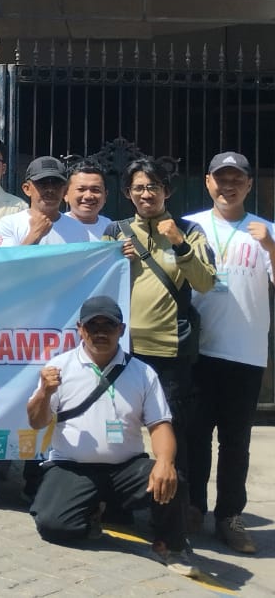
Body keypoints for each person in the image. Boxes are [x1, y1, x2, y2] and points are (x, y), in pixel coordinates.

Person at [28, 296, 200, 579]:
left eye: (108, 325)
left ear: (121, 329)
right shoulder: (59, 368)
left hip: (126, 467)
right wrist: (44, 393)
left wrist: (165, 461)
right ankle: (93, 512)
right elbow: (36, 422)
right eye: (93, 325)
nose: (100, 332)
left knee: (174, 479)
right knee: (53, 526)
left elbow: (160, 425)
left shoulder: (143, 373)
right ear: (79, 329)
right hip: (73, 466)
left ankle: (171, 545)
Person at [102, 158, 215, 509]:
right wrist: (116, 259)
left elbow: (205, 282)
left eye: (153, 186)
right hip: (124, 350)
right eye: (138, 187)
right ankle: (120, 506)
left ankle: (176, 511)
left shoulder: (190, 231)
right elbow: (99, 283)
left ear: (167, 191)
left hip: (170, 352)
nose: (146, 193)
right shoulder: (115, 231)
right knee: (118, 429)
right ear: (127, 193)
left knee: (173, 432)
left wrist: (179, 245)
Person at [183, 151, 273, 554]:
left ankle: (229, 517)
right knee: (195, 436)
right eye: (221, 178)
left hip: (245, 352)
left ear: (249, 185)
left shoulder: (267, 229)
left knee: (236, 441)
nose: (228, 185)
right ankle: (192, 509)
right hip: (198, 351)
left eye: (237, 178)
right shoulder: (190, 226)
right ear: (208, 182)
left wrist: (270, 246)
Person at [0, 157, 92, 246]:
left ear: (65, 191)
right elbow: (7, 264)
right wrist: (34, 235)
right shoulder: (9, 224)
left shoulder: (77, 228)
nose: (50, 189)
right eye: (43, 184)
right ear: (27, 189)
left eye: (56, 184)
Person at [64, 161, 111, 240]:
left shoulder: (112, 229)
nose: (88, 196)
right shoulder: (52, 228)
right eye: (81, 189)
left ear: (105, 195)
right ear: (65, 194)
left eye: (95, 190)